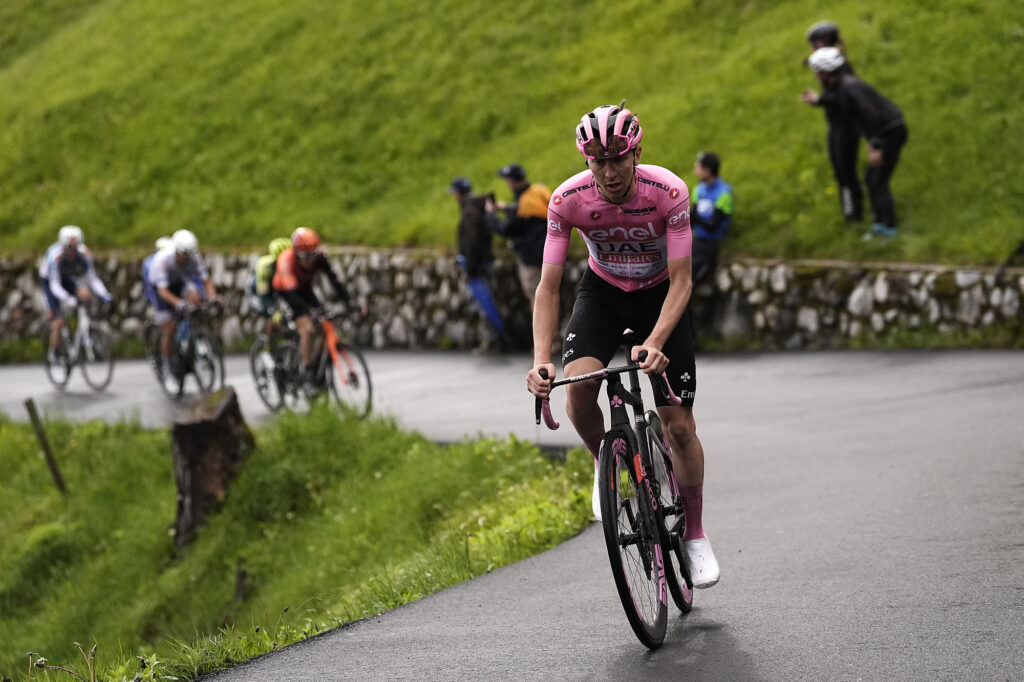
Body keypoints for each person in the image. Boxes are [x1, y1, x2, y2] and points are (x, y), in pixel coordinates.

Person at [525, 102, 720, 589]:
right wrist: (541, 362)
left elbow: (682, 280)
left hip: (661, 295)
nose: (609, 173)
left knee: (678, 428)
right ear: (586, 161)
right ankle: (605, 464)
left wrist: (656, 341)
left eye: (618, 159)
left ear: (636, 155)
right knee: (578, 393)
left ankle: (694, 535)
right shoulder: (567, 199)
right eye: (598, 162)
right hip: (604, 293)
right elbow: (548, 288)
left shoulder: (668, 191)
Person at [808, 47, 908, 238]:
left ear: (826, 72)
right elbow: (835, 100)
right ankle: (880, 225)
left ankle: (890, 229)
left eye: (817, 72)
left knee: (878, 180)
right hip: (883, 132)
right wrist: (818, 101)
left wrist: (876, 146)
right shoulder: (840, 85)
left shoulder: (850, 88)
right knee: (871, 179)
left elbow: (871, 116)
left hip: (890, 132)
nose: (815, 76)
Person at [271, 227, 354, 383]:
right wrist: (309, 311)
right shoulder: (286, 260)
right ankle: (307, 368)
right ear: (296, 253)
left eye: (312, 256)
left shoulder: (320, 258)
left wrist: (350, 301)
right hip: (286, 293)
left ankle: (317, 365)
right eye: (305, 257)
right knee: (307, 328)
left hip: (305, 290)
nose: (309, 261)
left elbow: (335, 281)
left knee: (325, 324)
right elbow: (292, 294)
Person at [800, 21, 864, 223]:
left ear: (821, 42)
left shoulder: (840, 66)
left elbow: (842, 97)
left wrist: (818, 100)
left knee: (846, 171)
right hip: (835, 124)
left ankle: (854, 215)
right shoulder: (828, 62)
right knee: (839, 171)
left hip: (846, 126)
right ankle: (849, 213)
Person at [144, 229, 219, 376]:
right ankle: (167, 363)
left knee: (196, 298)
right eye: (184, 255)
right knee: (170, 327)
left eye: (189, 255)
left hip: (179, 280)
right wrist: (179, 303)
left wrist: (213, 297)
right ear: (176, 251)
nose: (187, 258)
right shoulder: (163, 261)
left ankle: (191, 337)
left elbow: (206, 281)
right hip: (159, 288)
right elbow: (163, 291)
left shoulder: (194, 256)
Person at [39, 225, 113, 361]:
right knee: (59, 319)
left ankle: (87, 330)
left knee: (85, 294)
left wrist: (104, 293)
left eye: (75, 247)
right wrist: (68, 299)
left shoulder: (84, 253)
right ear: (63, 246)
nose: (73, 252)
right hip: (50, 281)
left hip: (66, 278)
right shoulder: (55, 256)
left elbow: (92, 278)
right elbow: (54, 285)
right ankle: (55, 352)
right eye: (69, 248)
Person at [484, 163, 552, 310]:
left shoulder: (521, 206)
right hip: (552, 253)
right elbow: (532, 214)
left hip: (531, 258)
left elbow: (504, 228)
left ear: (511, 182)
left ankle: (542, 332)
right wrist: (507, 208)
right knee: (551, 295)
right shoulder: (539, 190)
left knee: (536, 297)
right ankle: (554, 331)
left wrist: (490, 214)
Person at [449, 176, 506, 350]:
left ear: (457, 195)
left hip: (478, 264)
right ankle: (494, 339)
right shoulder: (476, 207)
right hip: (485, 260)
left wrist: (470, 267)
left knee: (485, 303)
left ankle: (493, 341)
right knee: (486, 301)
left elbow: (471, 242)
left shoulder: (469, 212)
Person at [251, 237, 292, 335]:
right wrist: (273, 311)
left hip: (275, 290)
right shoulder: (265, 267)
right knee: (272, 314)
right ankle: (267, 346)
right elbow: (263, 294)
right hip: (258, 292)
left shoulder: (290, 264)